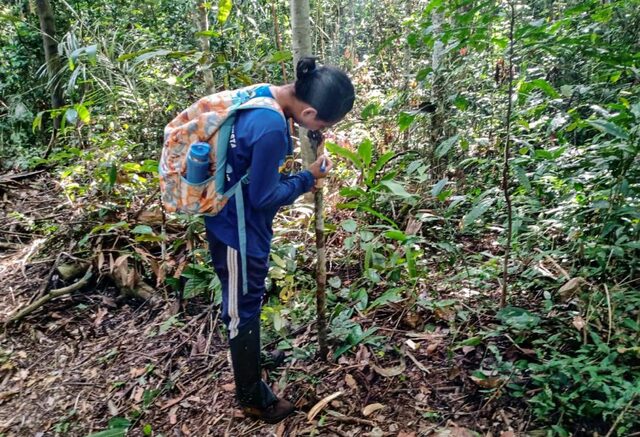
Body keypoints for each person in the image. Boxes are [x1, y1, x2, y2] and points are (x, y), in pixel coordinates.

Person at [205, 57, 355, 423]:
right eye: (322, 122)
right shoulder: (272, 127)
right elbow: (263, 197)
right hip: (238, 232)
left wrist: (310, 136)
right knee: (244, 308)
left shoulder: (266, 97)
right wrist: (307, 178)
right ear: (309, 110)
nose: (321, 128)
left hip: (229, 219)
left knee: (246, 300)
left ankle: (251, 360)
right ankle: (252, 397)